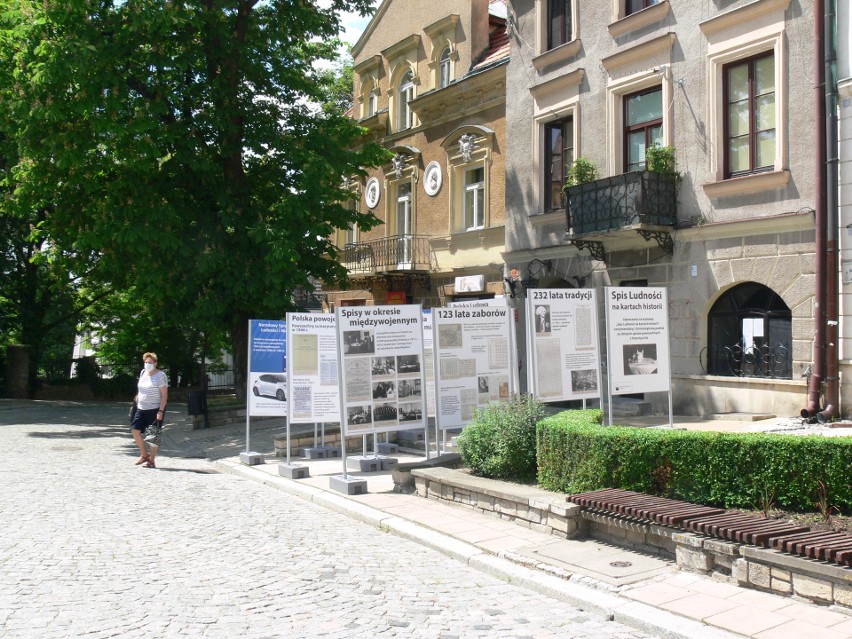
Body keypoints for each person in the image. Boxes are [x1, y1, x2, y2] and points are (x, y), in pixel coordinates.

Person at [130, 352, 168, 468]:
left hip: (154, 409)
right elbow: (141, 389)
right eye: (146, 362)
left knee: (152, 436)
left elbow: (164, 396)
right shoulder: (143, 373)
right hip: (141, 408)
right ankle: (144, 455)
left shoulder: (160, 375)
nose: (148, 364)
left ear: (155, 363)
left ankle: (151, 460)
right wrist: (136, 401)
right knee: (135, 431)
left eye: (150, 363)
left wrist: (160, 411)